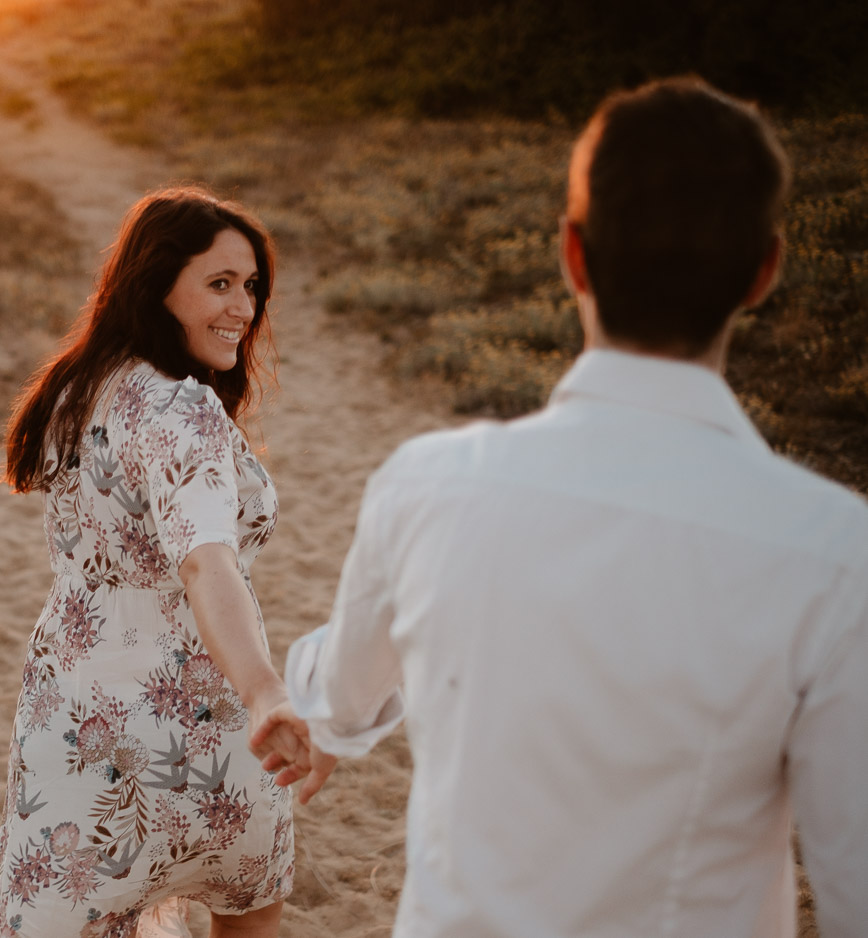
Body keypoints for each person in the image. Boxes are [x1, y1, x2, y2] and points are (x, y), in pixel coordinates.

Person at [255, 77, 868, 936]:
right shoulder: (834, 554)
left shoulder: (427, 486)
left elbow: (346, 697)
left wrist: (311, 707)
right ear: (764, 272)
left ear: (571, 254)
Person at [0, 187, 314, 938]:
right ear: (157, 285)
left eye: (250, 286)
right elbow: (205, 562)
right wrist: (263, 691)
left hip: (71, 703)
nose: (244, 309)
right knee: (250, 900)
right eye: (219, 284)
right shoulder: (183, 409)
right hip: (193, 710)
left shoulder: (74, 386)